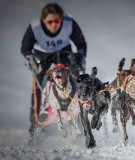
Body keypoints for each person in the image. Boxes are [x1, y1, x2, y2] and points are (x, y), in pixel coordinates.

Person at [21, 2, 87, 144]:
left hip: (65, 54)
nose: (54, 25)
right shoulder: (35, 27)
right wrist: (30, 58)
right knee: (39, 86)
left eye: (57, 21)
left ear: (61, 19)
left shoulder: (69, 23)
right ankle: (35, 128)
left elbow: (82, 45)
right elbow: (25, 48)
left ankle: (81, 124)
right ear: (44, 21)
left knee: (77, 81)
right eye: (50, 22)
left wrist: (80, 56)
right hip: (43, 57)